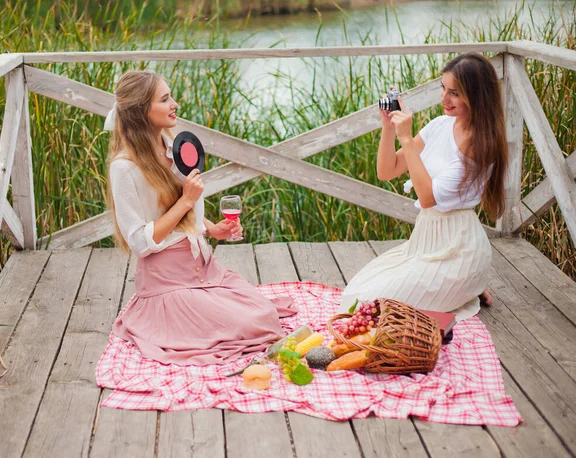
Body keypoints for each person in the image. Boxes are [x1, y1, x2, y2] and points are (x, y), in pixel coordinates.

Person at [105, 70, 296, 365]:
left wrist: (212, 229)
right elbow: (141, 242)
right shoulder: (124, 169)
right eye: (165, 99)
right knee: (246, 327)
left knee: (265, 315)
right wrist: (186, 201)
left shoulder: (174, 148)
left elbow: (182, 211)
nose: (175, 104)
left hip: (204, 269)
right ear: (142, 110)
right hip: (168, 283)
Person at [338, 53, 507, 321]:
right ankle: (465, 288)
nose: (444, 99)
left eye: (455, 93)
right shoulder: (440, 125)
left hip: (459, 248)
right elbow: (387, 171)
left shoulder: (480, 144)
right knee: (356, 298)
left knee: (376, 310)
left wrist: (406, 137)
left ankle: (467, 282)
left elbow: (428, 198)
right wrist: (389, 126)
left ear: (477, 96)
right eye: (443, 88)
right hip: (425, 244)